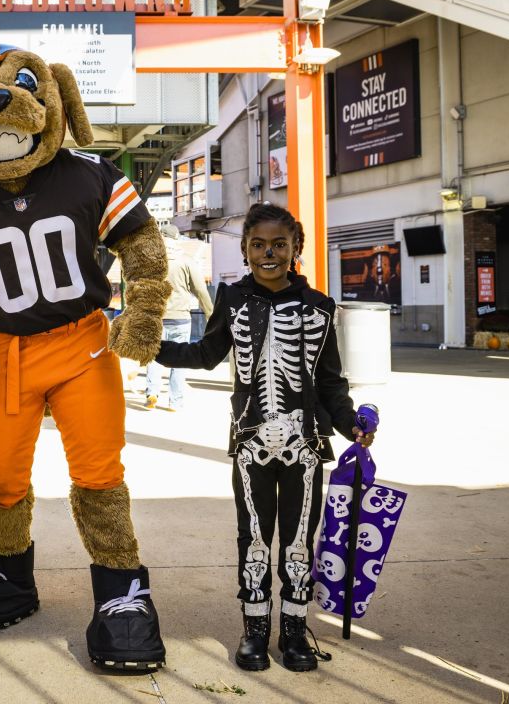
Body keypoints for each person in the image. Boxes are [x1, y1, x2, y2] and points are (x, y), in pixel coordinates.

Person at [154, 203, 377, 673]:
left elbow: (331, 382)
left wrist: (352, 422)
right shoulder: (233, 299)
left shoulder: (319, 307)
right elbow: (205, 353)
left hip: (306, 444)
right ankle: (255, 629)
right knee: (253, 537)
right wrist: (149, 347)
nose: (269, 253)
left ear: (296, 247)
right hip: (252, 442)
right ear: (245, 249)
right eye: (259, 245)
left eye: (279, 244)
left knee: (299, 540)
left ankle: (294, 629)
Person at [144, 223, 214, 411]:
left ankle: (152, 392)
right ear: (176, 239)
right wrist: (210, 315)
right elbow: (200, 290)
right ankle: (175, 401)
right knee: (179, 358)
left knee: (153, 355)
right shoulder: (186, 260)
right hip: (180, 317)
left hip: (156, 317)